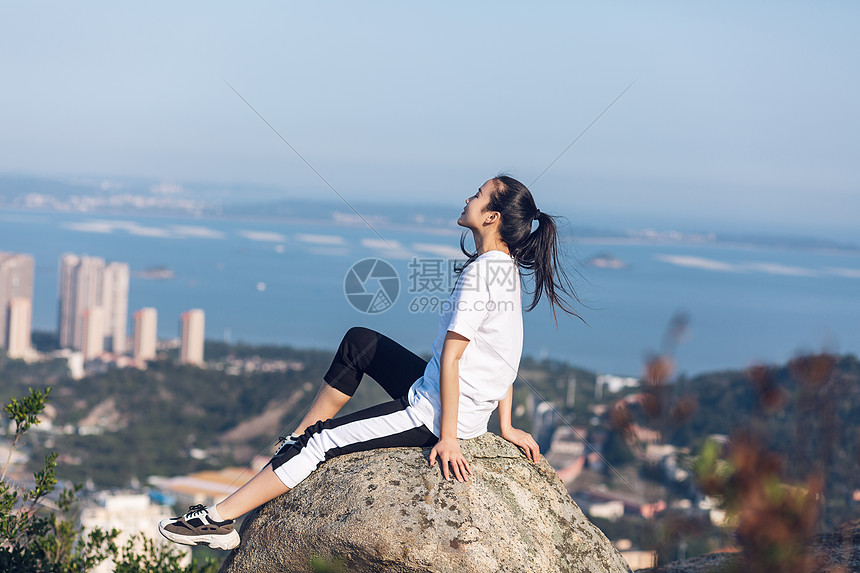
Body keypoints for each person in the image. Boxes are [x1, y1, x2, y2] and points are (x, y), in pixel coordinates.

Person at [158, 175, 580, 550]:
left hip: (433, 412)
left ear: (491, 217)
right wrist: (503, 425)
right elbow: (502, 357)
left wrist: (448, 436)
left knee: (320, 444)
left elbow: (454, 358)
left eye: (478, 194)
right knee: (360, 341)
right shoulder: (503, 270)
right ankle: (297, 435)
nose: (468, 198)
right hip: (443, 392)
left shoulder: (481, 276)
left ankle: (219, 520)